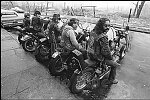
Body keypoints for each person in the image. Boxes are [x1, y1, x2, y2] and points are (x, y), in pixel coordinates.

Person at [88, 18, 120, 84]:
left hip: (89, 53)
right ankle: (111, 80)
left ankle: (102, 68)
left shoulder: (92, 31)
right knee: (114, 64)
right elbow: (105, 51)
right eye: (105, 26)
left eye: (109, 26)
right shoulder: (103, 37)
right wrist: (111, 57)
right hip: (98, 57)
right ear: (100, 25)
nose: (107, 27)